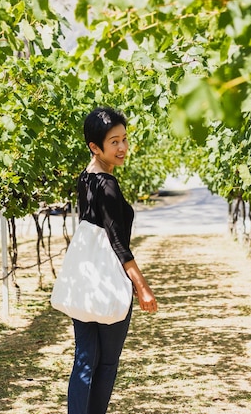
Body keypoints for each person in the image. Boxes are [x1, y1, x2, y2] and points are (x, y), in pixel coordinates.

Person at [68, 106, 158, 414]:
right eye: (113, 142)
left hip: (84, 279)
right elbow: (117, 241)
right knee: (106, 363)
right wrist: (142, 286)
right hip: (107, 280)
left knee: (84, 358)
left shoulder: (86, 178)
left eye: (124, 139)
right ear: (95, 147)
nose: (122, 148)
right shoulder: (107, 184)